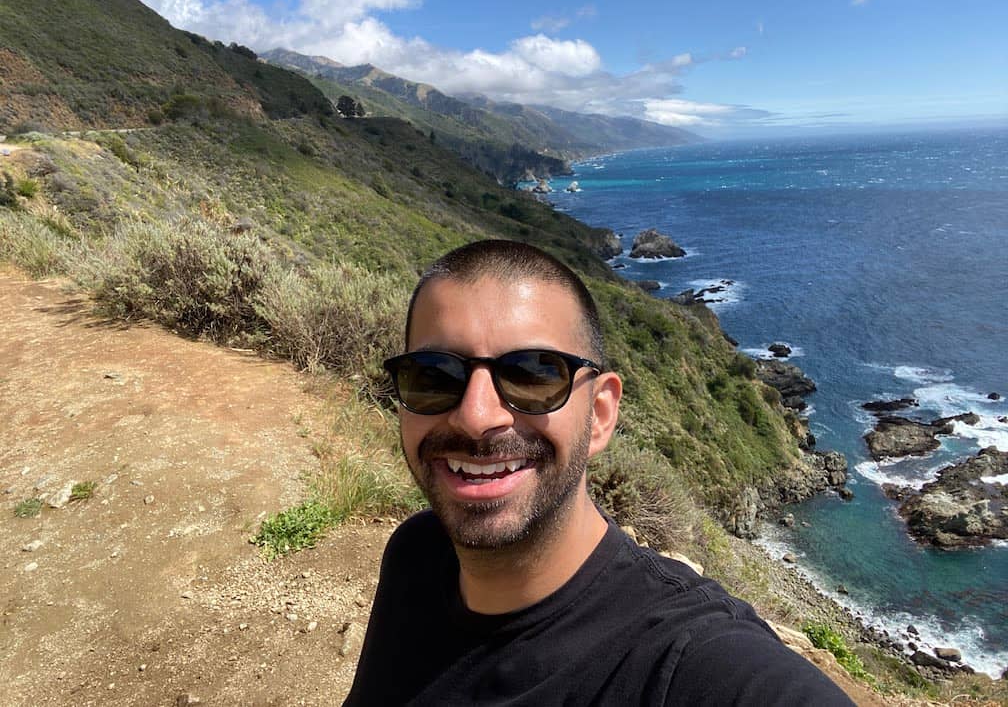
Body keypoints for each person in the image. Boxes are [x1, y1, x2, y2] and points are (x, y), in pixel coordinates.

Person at [344, 239, 853, 705]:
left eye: (533, 374)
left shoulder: (687, 663)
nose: (477, 416)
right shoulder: (417, 554)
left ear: (602, 414)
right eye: (434, 375)